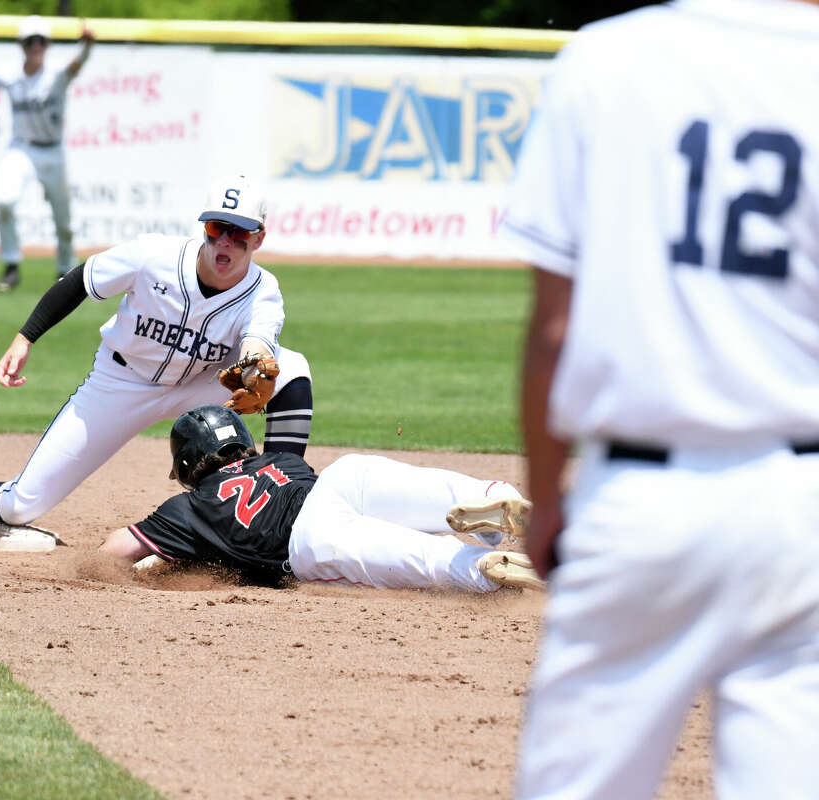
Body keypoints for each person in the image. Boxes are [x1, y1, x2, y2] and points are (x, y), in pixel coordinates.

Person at [506, 0, 819, 797]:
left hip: (643, 500)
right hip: (803, 507)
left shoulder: (606, 59)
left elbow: (553, 335)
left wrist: (545, 506)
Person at [0, 175, 316, 544]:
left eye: (238, 233)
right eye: (217, 228)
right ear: (202, 228)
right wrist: (25, 337)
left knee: (292, 367)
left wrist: (256, 364)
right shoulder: (153, 257)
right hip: (120, 383)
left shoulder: (263, 290)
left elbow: (260, 341)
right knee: (21, 505)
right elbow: (79, 282)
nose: (225, 242)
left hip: (198, 388)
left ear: (258, 237)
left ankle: (278, 515)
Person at [96, 405, 541, 591]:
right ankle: (495, 496)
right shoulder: (278, 459)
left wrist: (98, 567)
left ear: (190, 464)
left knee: (420, 560)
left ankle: (478, 569)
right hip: (342, 479)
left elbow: (120, 548)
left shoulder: (188, 509)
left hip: (311, 538)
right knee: (433, 493)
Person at [0, 15, 94, 292]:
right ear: (21, 44)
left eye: (41, 41)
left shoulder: (56, 73)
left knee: (63, 217)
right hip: (22, 148)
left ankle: (66, 269)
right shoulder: (8, 73)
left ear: (48, 44)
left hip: (52, 150)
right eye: (31, 41)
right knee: (5, 200)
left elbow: (77, 65)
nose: (36, 46)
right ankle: (11, 266)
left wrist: (88, 46)